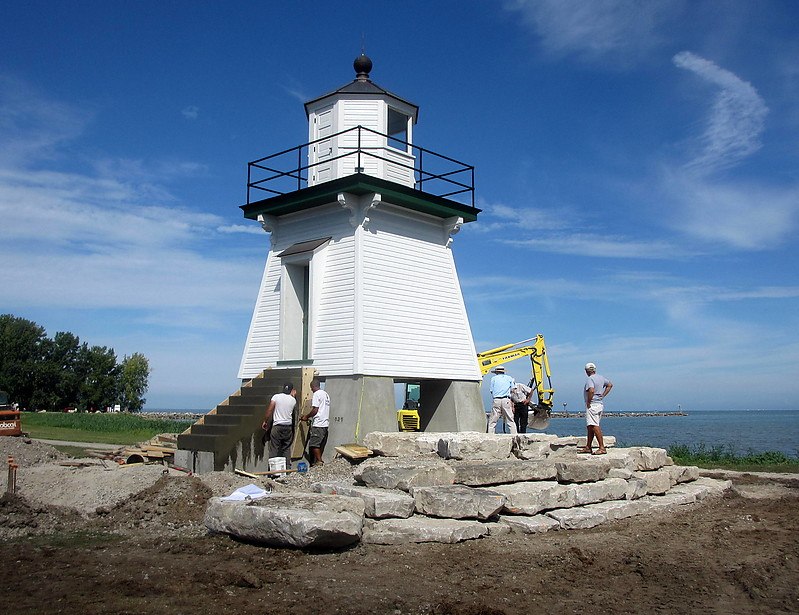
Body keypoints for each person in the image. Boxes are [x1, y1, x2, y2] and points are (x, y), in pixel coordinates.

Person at [580, 362, 613, 455]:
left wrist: (589, 401)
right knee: (590, 426)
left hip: (593, 404)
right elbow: (610, 385)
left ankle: (602, 447)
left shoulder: (590, 379)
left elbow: (591, 390)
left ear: (586, 371)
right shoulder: (601, 378)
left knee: (594, 426)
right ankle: (588, 447)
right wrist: (603, 395)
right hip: (599, 404)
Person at [262, 382, 297, 468]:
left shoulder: (276, 397)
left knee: (274, 449)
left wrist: (265, 421)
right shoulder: (293, 400)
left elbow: (270, 409)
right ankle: (287, 469)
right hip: (288, 427)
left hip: (277, 426)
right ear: (291, 390)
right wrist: (293, 396)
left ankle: (273, 470)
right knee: (286, 448)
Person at [300, 379, 330, 467]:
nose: (311, 390)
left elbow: (315, 410)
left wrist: (306, 416)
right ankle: (317, 461)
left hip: (319, 424)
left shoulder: (317, 394)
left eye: (311, 388)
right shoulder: (325, 394)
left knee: (314, 444)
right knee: (318, 444)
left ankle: (319, 461)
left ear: (313, 386)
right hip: (324, 423)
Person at [488, 366, 518, 434]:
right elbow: (513, 390)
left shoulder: (493, 378)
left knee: (493, 419)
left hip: (496, 399)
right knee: (510, 418)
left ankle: (490, 434)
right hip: (506, 399)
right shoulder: (509, 378)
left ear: (496, 372)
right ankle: (514, 434)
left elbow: (491, 390)